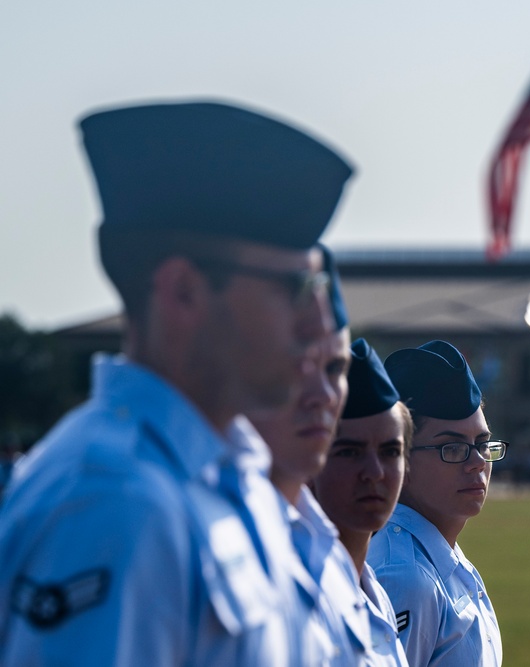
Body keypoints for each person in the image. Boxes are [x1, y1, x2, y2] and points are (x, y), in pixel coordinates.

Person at [0, 100, 353, 666]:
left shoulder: (238, 483)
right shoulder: (113, 504)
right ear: (184, 291)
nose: (315, 327)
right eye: (294, 289)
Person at [246, 247, 373, 666]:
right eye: (299, 365)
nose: (323, 395)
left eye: (335, 370)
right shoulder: (191, 520)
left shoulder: (325, 548)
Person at [367, 340, 506, 667]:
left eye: (483, 444)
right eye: (453, 448)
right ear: (401, 457)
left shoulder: (441, 556)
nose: (477, 463)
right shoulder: (402, 576)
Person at [314, 338, 413, 667]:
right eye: (349, 452)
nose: (374, 472)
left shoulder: (375, 593)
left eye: (391, 452)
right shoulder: (298, 590)